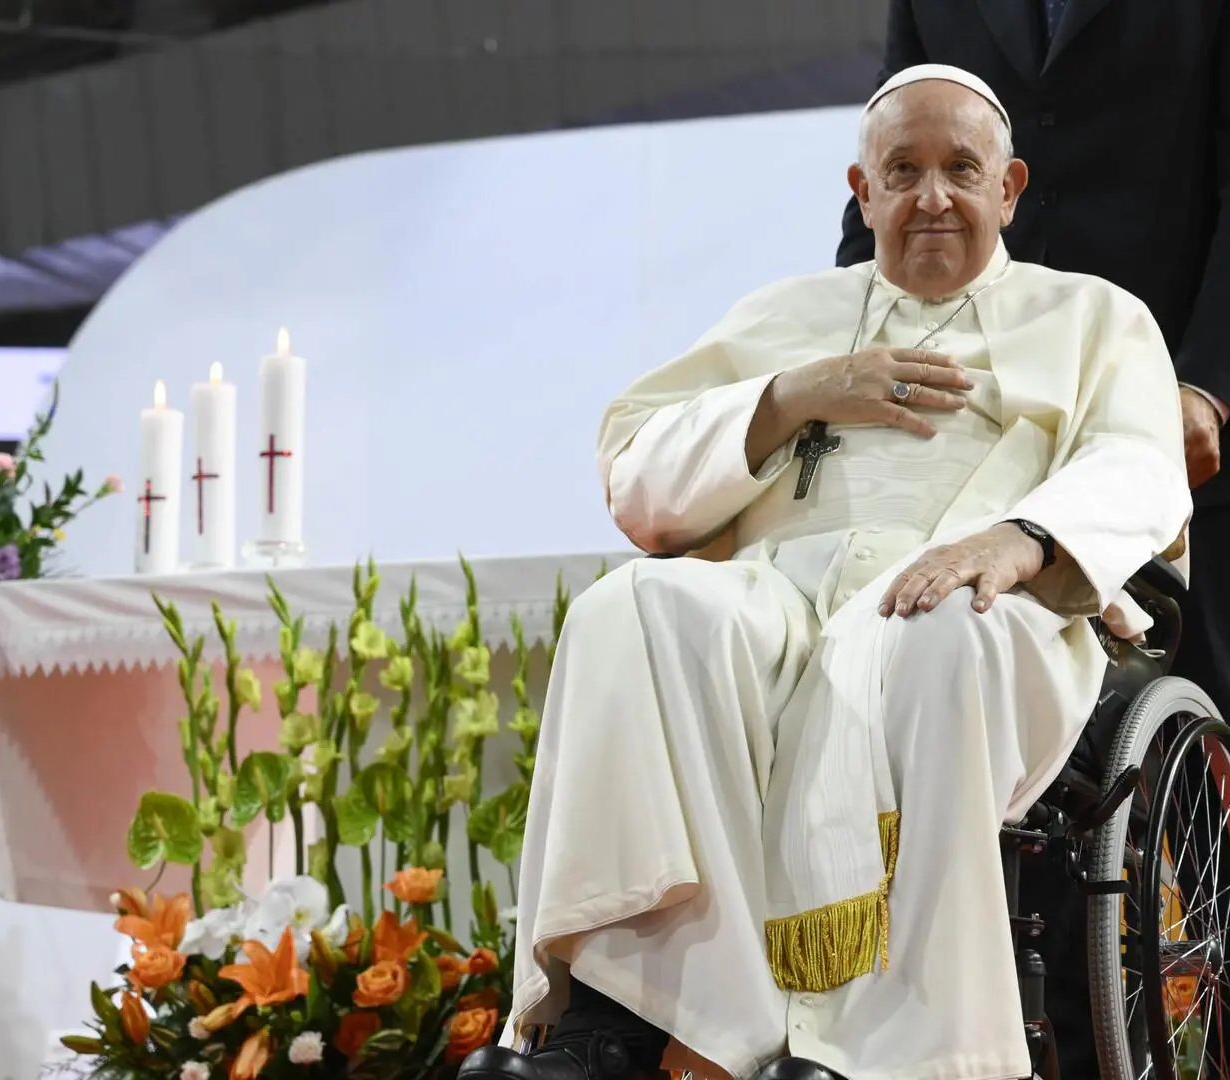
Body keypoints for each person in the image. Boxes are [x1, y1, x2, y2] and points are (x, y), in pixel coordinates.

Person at [464, 65, 1190, 1080]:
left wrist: (1020, 539)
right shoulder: (787, 312)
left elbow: (1143, 467)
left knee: (935, 629)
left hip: (990, 600)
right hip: (783, 597)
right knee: (633, 608)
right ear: (862, 191)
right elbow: (637, 475)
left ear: (1010, 187)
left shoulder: (1093, 318)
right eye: (903, 171)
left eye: (960, 170)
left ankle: (891, 1055)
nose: (932, 197)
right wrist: (792, 396)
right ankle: (627, 1016)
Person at [837, 5, 1230, 1072]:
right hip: (998, 429)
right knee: (1029, 775)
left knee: (1228, 759)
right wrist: (849, 356)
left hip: (1199, 432)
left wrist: (1207, 386)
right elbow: (898, 155)